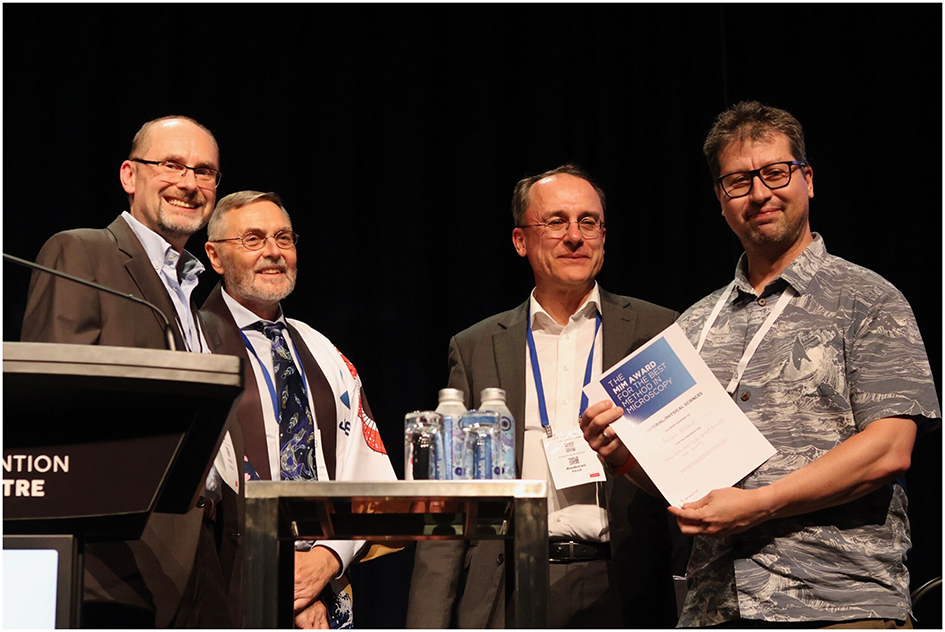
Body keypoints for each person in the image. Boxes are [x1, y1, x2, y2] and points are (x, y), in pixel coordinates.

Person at [581, 101, 941, 628]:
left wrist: (761, 504)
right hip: (716, 609)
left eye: (775, 172)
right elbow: (688, 487)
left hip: (840, 604)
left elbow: (889, 448)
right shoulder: (695, 324)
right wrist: (626, 459)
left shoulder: (868, 298)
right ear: (720, 200)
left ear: (808, 180)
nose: (760, 193)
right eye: (738, 181)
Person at [407, 164, 680, 628]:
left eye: (588, 222)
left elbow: (688, 467)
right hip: (507, 585)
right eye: (556, 222)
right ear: (520, 241)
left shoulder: (659, 331)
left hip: (625, 586)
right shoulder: (476, 347)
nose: (575, 236)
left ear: (603, 236)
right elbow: (450, 501)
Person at [20, 115, 228, 627]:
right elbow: (52, 407)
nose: (188, 183)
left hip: (207, 563)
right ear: (129, 175)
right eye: (172, 165)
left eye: (204, 171)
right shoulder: (82, 252)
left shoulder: (196, 300)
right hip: (116, 564)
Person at [199, 190, 397, 629]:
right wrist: (282, 575)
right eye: (253, 239)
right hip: (225, 585)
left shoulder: (324, 352)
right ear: (215, 256)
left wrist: (327, 559)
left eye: (283, 238)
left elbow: (367, 479)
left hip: (325, 594)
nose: (273, 251)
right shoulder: (191, 343)